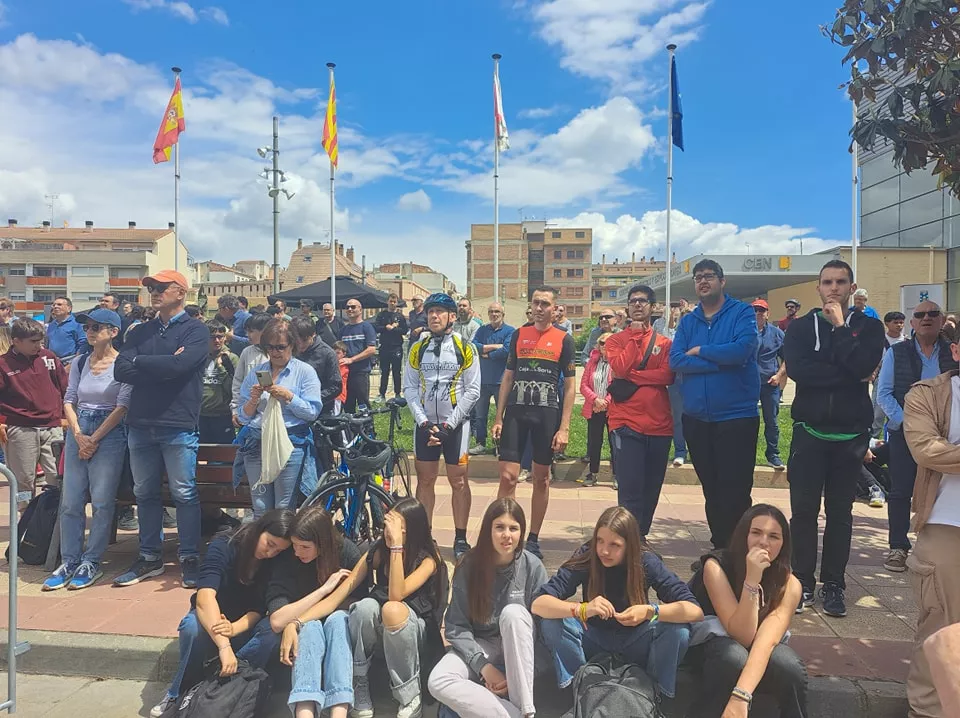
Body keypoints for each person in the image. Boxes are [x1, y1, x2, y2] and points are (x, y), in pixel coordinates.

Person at [783, 259, 884, 617]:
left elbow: (863, 367)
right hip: (809, 433)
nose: (834, 288)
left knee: (840, 513)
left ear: (852, 288)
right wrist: (848, 372)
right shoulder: (799, 328)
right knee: (803, 512)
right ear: (819, 287)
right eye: (827, 282)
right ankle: (802, 581)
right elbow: (801, 371)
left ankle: (834, 584)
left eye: (841, 282)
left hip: (850, 436)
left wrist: (841, 328)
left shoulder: (870, 327)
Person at [533, 506, 703, 700]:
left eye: (615, 545)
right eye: (600, 541)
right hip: (593, 637)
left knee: (678, 630)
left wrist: (650, 611)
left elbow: (694, 611)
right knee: (552, 622)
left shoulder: (646, 561)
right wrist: (582, 609)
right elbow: (539, 603)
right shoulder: (588, 555)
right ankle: (579, 689)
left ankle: (656, 695)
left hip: (636, 639)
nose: (604, 550)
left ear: (630, 545)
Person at [112, 270, 209, 588]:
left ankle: (189, 557)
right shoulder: (140, 331)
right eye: (151, 287)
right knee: (144, 493)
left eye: (161, 287)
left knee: (184, 493)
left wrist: (141, 361)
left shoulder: (196, 330)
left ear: (180, 292)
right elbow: (120, 369)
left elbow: (181, 366)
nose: (154, 291)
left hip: (178, 424)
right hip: (140, 424)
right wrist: (162, 363)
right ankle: (149, 556)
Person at [149, 509, 296, 718]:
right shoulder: (225, 544)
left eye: (279, 550)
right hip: (213, 618)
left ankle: (231, 681)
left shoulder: (274, 562)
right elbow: (204, 597)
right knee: (191, 627)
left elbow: (258, 608)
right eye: (270, 544)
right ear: (259, 529)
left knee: (271, 631)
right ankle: (178, 692)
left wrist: (234, 628)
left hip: (244, 625)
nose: (271, 553)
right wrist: (224, 645)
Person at [670, 259, 760, 552]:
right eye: (698, 277)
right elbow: (676, 360)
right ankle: (720, 549)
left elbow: (742, 350)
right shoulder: (688, 321)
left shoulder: (741, 312)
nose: (703, 281)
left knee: (735, 491)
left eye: (709, 276)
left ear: (722, 281)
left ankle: (738, 553)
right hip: (697, 419)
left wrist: (701, 351)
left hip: (736, 417)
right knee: (712, 490)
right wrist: (718, 363)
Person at [428, 498, 547, 718]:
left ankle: (525, 709)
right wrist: (483, 666)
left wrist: (524, 673)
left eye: (513, 528)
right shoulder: (470, 565)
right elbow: (456, 625)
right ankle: (514, 715)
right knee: (438, 680)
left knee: (513, 613)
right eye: (499, 527)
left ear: (522, 532)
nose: (506, 535)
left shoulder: (532, 566)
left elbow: (543, 631)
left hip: (520, 647)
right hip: (482, 644)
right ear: (488, 530)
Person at [686, 505, 807, 718]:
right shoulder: (715, 567)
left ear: (783, 544)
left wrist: (740, 696)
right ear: (744, 535)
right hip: (712, 647)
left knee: (788, 664)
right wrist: (752, 580)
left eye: (774, 536)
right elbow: (741, 634)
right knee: (733, 657)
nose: (764, 542)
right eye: (756, 533)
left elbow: (765, 642)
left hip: (758, 649)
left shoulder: (790, 584)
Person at [42, 309, 130, 591]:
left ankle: (91, 560)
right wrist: (79, 435)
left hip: (109, 432)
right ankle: (70, 560)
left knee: (102, 501)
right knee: (71, 501)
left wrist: (94, 439)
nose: (90, 331)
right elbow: (69, 399)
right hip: (79, 428)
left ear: (113, 332)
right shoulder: (80, 362)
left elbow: (122, 406)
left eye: (96, 327)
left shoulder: (123, 364)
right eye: (87, 327)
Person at [492, 286, 576, 559]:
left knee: (542, 479)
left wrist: (564, 428)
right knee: (508, 477)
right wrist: (498, 417)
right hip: (516, 413)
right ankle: (505, 533)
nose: (539, 308)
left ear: (555, 308)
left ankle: (534, 539)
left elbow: (570, 387)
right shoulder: (519, 335)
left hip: (546, 415)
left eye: (545, 304)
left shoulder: (564, 339)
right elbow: (508, 377)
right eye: (535, 303)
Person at [902, 334, 960, 718]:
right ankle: (927, 712)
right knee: (942, 630)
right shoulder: (927, 395)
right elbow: (926, 449)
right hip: (946, 526)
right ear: (955, 350)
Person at [349, 499, 445, 718]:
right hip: (383, 634)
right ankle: (359, 680)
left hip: (415, 632)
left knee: (392, 609)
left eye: (396, 526)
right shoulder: (379, 550)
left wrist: (396, 548)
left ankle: (409, 694)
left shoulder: (429, 559)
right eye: (387, 524)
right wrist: (298, 619)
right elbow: (346, 587)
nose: (388, 531)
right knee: (364, 607)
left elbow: (396, 595)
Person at [269, 507, 368, 718]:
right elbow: (277, 620)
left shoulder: (347, 552)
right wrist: (323, 590)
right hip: (304, 629)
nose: (297, 552)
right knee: (311, 627)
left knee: (337, 620)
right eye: (294, 545)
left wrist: (308, 614)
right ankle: (304, 712)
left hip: (338, 627)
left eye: (305, 547)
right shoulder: (289, 559)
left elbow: (358, 602)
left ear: (322, 543)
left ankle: (339, 712)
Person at [876, 301, 952, 573]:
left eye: (932, 314)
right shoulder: (897, 353)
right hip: (906, 433)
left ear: (941, 320)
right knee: (900, 491)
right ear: (912, 323)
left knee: (943, 491)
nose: (926, 318)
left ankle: (936, 548)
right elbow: (884, 394)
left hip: (946, 435)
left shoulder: (953, 352)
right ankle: (898, 547)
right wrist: (909, 424)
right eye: (920, 315)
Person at [403, 292, 480, 558]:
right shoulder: (418, 348)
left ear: (452, 317)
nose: (433, 316)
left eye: (439, 311)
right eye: (430, 312)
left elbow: (473, 390)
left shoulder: (465, 347)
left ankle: (460, 539)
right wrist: (423, 422)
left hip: (455, 426)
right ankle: (424, 538)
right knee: (425, 480)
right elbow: (409, 388)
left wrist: (448, 426)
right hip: (426, 424)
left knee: (458, 481)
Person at [605, 285, 675, 535]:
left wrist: (635, 376)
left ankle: (640, 538)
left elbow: (667, 375)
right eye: (633, 301)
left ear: (652, 307)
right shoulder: (615, 340)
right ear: (627, 307)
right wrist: (634, 337)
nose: (637, 304)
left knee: (651, 489)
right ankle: (628, 539)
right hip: (626, 424)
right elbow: (620, 369)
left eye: (643, 301)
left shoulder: (664, 343)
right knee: (630, 489)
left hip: (659, 426)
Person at [237, 319, 321, 517]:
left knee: (283, 507)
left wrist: (289, 397)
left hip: (290, 444)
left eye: (280, 347)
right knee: (260, 507)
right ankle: (263, 538)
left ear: (292, 345)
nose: (275, 352)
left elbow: (312, 412)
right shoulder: (257, 372)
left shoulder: (305, 372)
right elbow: (242, 416)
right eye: (270, 347)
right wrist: (253, 400)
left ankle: (281, 539)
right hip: (257, 442)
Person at [0, 318, 67, 511]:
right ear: (16, 341)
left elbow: (64, 387)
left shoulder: (49, 358)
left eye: (40, 340)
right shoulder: (3, 364)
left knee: (57, 476)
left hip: (52, 426)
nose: (38, 345)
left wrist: (64, 416)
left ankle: (53, 518)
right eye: (33, 341)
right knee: (23, 480)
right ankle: (25, 517)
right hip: (20, 428)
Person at [469, 303, 514, 456]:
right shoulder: (482, 330)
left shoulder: (510, 331)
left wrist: (487, 354)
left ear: (503, 314)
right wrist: (495, 346)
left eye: (497, 311)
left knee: (501, 415)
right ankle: (480, 443)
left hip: (501, 381)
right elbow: (474, 346)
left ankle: (501, 445)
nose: (494, 314)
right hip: (482, 380)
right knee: (480, 415)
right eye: (491, 312)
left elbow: (507, 350)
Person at [753, 299, 787, 470]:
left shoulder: (777, 334)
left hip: (770, 384)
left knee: (771, 421)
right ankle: (745, 454)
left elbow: (788, 358)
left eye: (762, 310)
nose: (758, 313)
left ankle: (773, 455)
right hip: (747, 385)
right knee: (746, 421)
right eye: (755, 310)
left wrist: (779, 375)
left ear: (768, 314)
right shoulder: (742, 332)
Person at [579, 332, 614, 487]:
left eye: (608, 343)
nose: (604, 346)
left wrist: (606, 402)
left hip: (612, 410)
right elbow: (583, 385)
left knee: (615, 443)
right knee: (594, 443)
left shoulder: (617, 362)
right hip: (594, 408)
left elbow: (618, 385)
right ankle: (592, 473)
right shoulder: (592, 363)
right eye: (602, 343)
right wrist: (595, 400)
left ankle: (617, 475)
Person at [290, 316, 342, 416]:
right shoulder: (288, 349)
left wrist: (312, 399)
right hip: (291, 409)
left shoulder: (327, 353)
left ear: (313, 334)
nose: (300, 345)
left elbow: (336, 387)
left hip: (320, 411)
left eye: (305, 340)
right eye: (296, 340)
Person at [198, 321, 238, 444]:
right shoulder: (199, 357)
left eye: (220, 337)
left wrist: (221, 368)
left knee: (222, 452)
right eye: (212, 337)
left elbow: (234, 388)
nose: (217, 341)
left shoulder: (231, 358)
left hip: (222, 415)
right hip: (200, 415)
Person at [230, 312, 271, 425]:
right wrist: (235, 409)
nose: (248, 335)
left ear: (265, 331)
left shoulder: (277, 354)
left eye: (251, 331)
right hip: (248, 413)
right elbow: (238, 382)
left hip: (270, 415)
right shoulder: (247, 352)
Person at [339, 299, 378, 413]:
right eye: (347, 307)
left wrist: (352, 359)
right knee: (348, 405)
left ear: (360, 310)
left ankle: (367, 424)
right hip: (346, 373)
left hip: (361, 371)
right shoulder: (343, 330)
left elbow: (371, 349)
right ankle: (350, 424)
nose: (350, 309)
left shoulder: (367, 327)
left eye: (353, 307)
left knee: (363, 405)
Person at [375, 292, 408, 403]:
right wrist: (386, 327)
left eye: (394, 302)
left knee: (396, 372)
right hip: (384, 347)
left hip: (396, 347)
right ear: (387, 302)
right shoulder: (382, 315)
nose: (392, 303)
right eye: (391, 301)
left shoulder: (400, 317)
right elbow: (376, 327)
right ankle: (382, 394)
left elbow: (404, 330)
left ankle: (397, 393)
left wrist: (394, 329)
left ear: (397, 303)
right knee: (384, 372)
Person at [333, 341, 349, 413]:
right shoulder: (333, 363)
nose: (335, 355)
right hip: (332, 395)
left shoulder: (343, 366)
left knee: (336, 414)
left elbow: (335, 376)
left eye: (338, 353)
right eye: (334, 352)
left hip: (338, 395)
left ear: (344, 354)